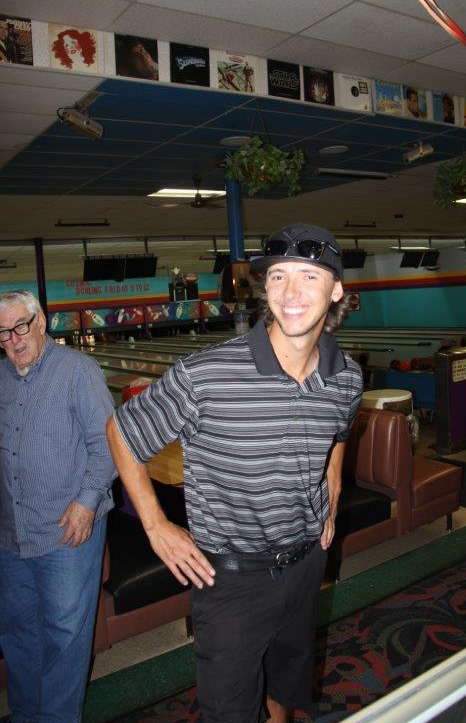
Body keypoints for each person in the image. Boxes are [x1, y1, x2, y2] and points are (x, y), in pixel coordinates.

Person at [107, 223, 363, 723]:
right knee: (230, 711)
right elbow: (121, 430)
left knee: (287, 684)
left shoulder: (346, 376)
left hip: (306, 560)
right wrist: (156, 526)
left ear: (336, 290)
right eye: (279, 276)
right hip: (230, 578)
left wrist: (332, 489)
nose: (291, 292)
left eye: (309, 276)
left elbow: (340, 431)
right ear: (265, 287)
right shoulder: (206, 375)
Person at [0, 290, 116, 722]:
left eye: (19, 326)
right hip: (11, 533)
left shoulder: (78, 370)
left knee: (65, 635)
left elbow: (107, 444)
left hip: (67, 529)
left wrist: (87, 503)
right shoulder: (1, 379)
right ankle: (26, 714)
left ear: (41, 323)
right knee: (18, 632)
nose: (13, 339)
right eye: (2, 333)